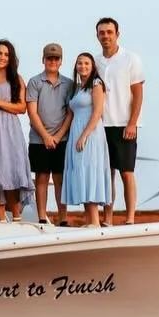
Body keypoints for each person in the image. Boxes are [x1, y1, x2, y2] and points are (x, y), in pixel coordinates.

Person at [94, 17, 145, 225]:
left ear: (117, 34)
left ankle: (130, 217)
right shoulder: (95, 60)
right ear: (97, 35)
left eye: (109, 32)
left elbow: (138, 93)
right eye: (102, 32)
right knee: (107, 174)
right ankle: (107, 217)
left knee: (126, 172)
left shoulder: (130, 59)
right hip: (101, 125)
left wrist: (132, 122)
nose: (106, 36)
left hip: (124, 125)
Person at [25, 42, 74, 225]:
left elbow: (70, 112)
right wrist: (45, 136)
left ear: (61, 61)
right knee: (42, 178)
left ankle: (63, 218)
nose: (52, 61)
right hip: (39, 139)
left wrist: (58, 135)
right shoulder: (34, 82)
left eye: (56, 58)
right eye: (49, 58)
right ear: (43, 59)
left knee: (60, 179)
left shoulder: (69, 84)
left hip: (62, 139)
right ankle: (42, 217)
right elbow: (32, 111)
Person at [0, 39, 33, 222]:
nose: (2, 57)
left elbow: (21, 108)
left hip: (10, 130)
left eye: (6, 54)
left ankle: (17, 217)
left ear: (10, 58)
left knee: (11, 170)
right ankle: (1, 218)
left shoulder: (16, 79)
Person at [61, 52, 110, 228]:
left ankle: (95, 221)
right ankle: (89, 220)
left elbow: (97, 112)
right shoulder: (77, 88)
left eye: (86, 63)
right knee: (80, 171)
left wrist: (84, 135)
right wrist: (60, 136)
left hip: (91, 133)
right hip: (76, 132)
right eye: (80, 63)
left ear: (92, 66)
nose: (83, 66)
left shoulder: (96, 84)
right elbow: (70, 115)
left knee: (90, 171)